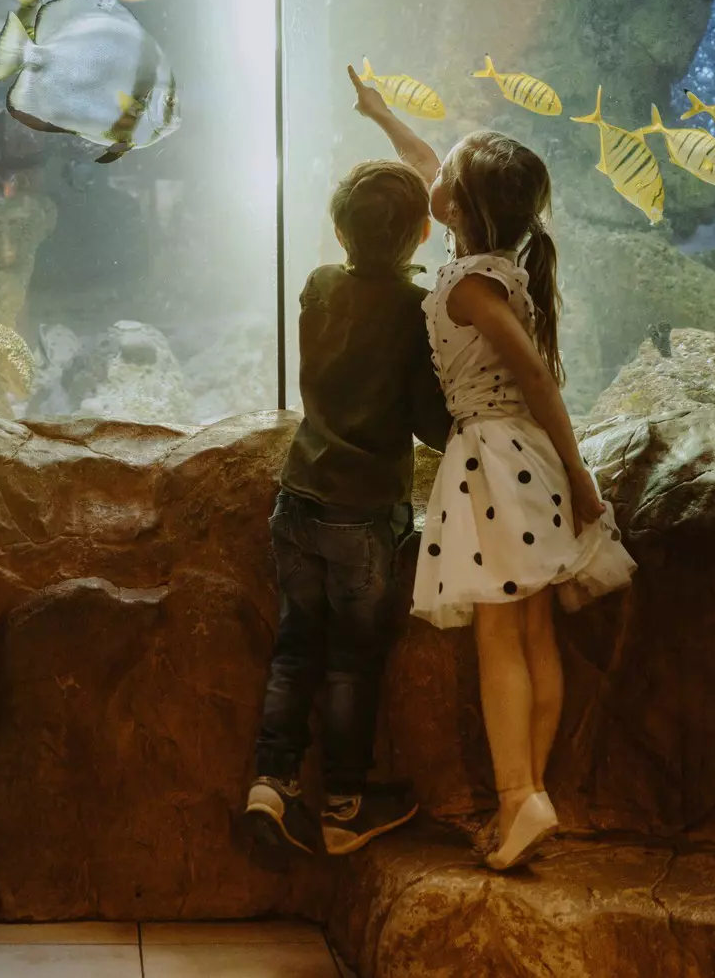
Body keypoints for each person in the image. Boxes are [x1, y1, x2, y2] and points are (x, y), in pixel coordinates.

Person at [351, 64, 635, 871]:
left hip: (495, 459)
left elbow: (539, 378)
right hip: (526, 461)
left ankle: (518, 799)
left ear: (460, 210)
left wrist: (584, 482)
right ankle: (533, 794)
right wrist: (381, 116)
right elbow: (429, 164)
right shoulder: (496, 263)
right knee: (537, 631)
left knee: (498, 639)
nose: (432, 177)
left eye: (447, 178)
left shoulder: (472, 286)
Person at [243, 80, 455, 858]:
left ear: (337, 229)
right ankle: (343, 802)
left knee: (295, 645)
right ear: (425, 234)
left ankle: (270, 783)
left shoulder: (320, 287)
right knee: (350, 662)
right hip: (364, 515)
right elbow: (427, 418)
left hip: (297, 496)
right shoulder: (415, 310)